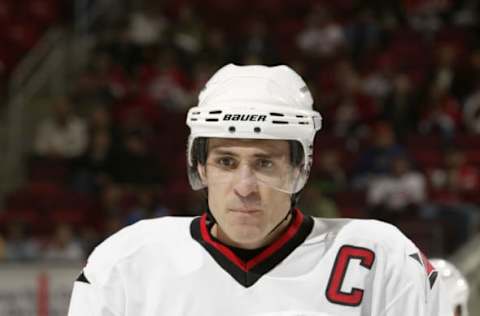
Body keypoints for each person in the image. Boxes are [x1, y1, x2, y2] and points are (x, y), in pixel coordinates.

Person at [68, 64, 451, 315]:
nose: (245, 187)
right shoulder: (127, 261)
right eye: (226, 162)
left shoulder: (381, 257)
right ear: (200, 165)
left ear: (301, 167)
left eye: (265, 163)